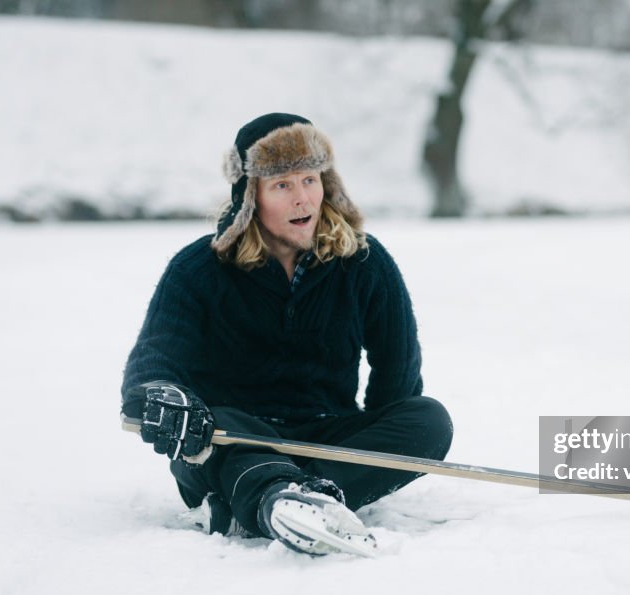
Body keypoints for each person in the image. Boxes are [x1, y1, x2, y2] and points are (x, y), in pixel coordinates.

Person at [120, 113, 453, 558]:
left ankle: (271, 499)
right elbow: (154, 359)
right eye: (282, 185)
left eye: (310, 180)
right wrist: (161, 395)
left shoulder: (364, 263)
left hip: (325, 434)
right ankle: (280, 495)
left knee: (429, 419)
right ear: (249, 196)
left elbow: (398, 380)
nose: (303, 199)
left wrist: (381, 445)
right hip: (227, 437)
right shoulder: (197, 270)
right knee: (223, 425)